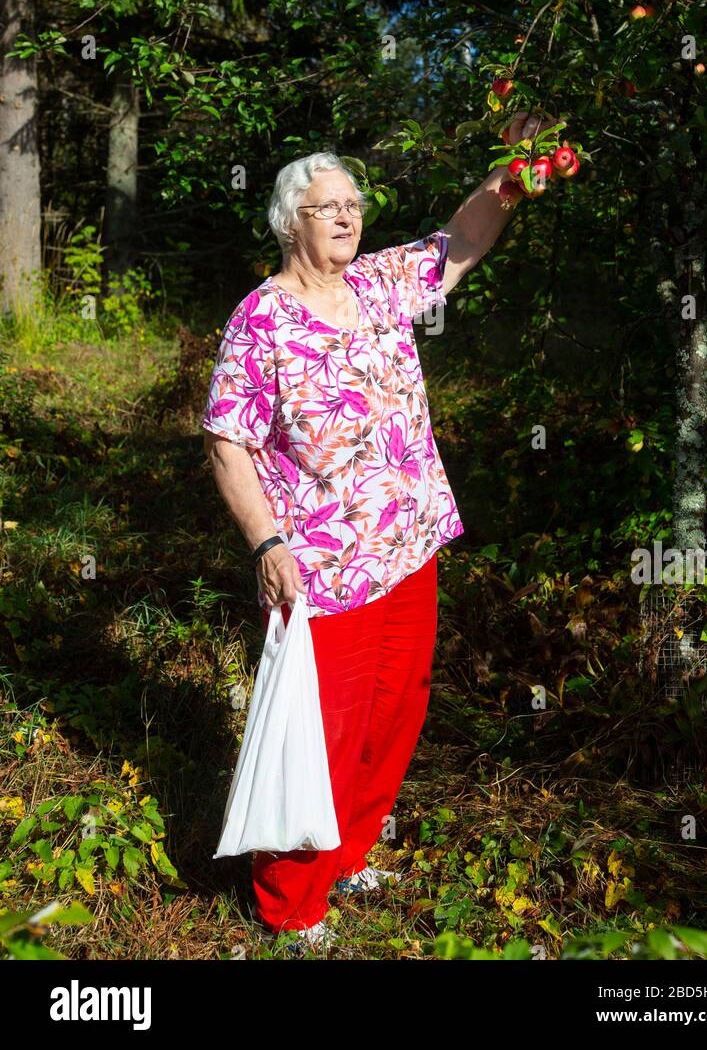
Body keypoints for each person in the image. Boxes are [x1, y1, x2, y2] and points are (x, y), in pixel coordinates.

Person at [202, 123, 539, 952]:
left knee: (395, 713)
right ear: (292, 222)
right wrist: (266, 546)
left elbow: (461, 241)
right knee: (319, 734)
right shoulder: (261, 322)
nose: (349, 219)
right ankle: (291, 905)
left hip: (408, 541)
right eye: (330, 208)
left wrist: (514, 172)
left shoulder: (382, 284)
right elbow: (226, 441)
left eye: (355, 205)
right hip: (323, 566)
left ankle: (350, 853)